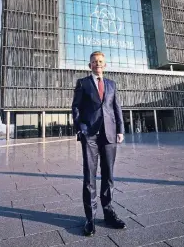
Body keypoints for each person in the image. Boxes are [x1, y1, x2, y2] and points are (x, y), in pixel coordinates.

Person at [72, 51, 126, 236]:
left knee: (108, 175)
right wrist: (81, 128)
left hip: (110, 134)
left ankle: (109, 212)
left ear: (105, 64)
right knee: (90, 176)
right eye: (94, 62)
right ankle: (90, 218)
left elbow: (116, 107)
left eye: (100, 61)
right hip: (90, 135)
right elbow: (76, 106)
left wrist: (120, 129)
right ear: (90, 65)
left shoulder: (111, 84)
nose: (98, 64)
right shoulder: (83, 83)